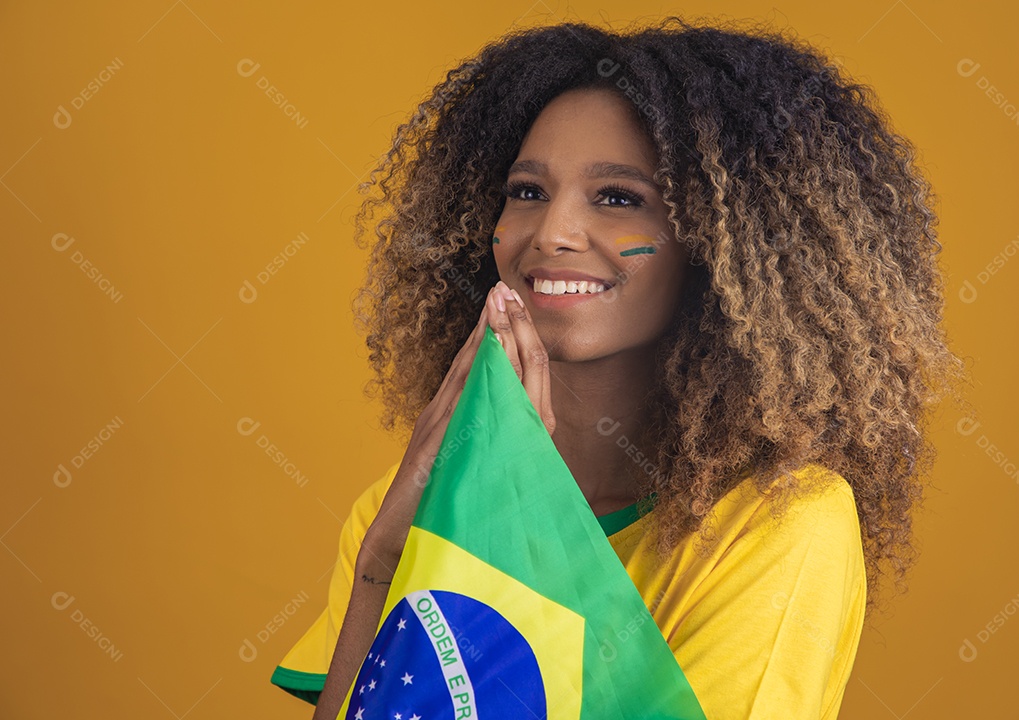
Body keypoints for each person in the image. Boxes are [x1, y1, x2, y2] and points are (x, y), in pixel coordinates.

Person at [271, 15, 965, 720]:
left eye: (619, 198)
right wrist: (384, 564)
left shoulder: (781, 522)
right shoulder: (403, 504)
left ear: (719, 246)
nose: (552, 234)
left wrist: (510, 535)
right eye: (528, 191)